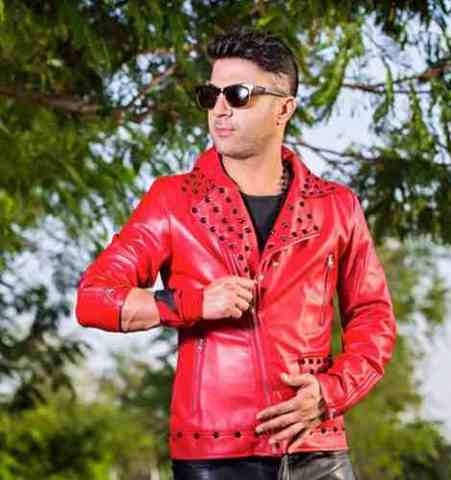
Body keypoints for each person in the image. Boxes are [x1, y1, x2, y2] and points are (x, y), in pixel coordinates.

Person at [76, 28, 396, 480]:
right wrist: (192, 303)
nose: (220, 109)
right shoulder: (173, 200)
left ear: (284, 108)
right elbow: (93, 298)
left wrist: (330, 393)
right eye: (210, 95)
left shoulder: (336, 206)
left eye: (238, 95)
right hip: (214, 456)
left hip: (317, 449)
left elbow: (373, 318)